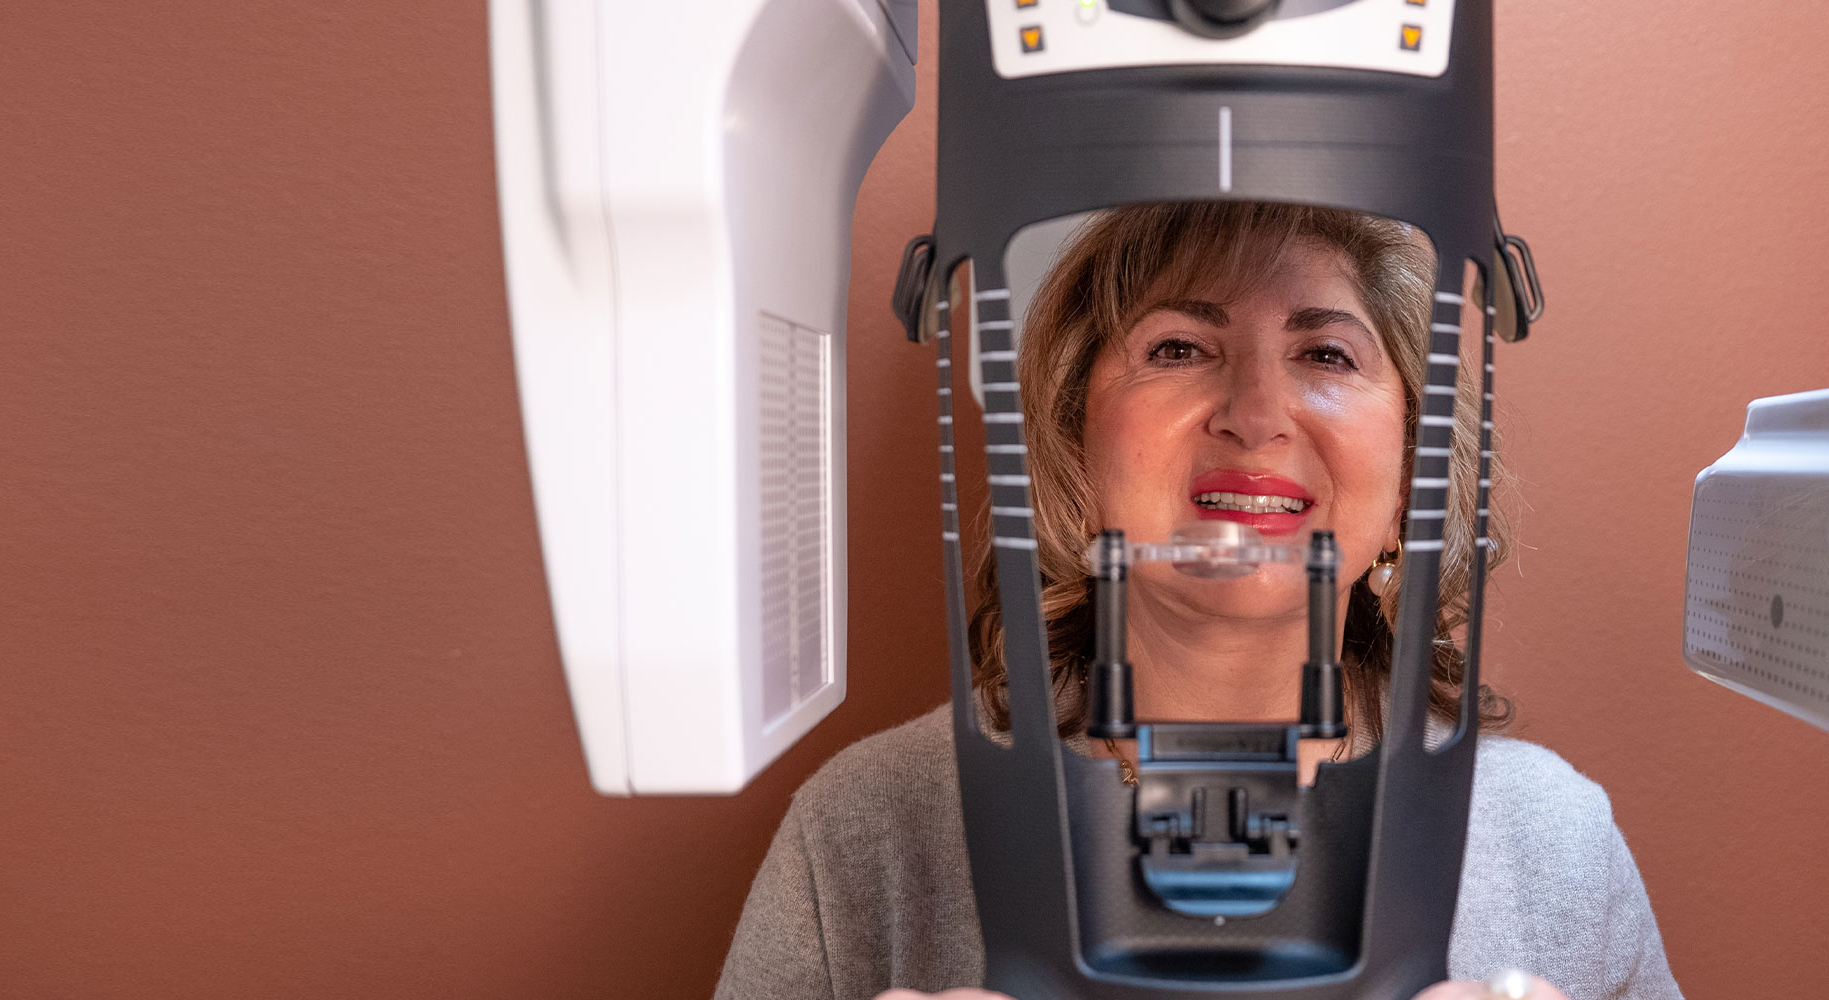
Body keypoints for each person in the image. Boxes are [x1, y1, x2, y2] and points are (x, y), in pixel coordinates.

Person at [713, 202, 1682, 1000]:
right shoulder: (864, 832)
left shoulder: (1554, 844)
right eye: (1178, 347)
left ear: (1410, 485)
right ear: (1070, 442)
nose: (1254, 412)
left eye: (1326, 355)